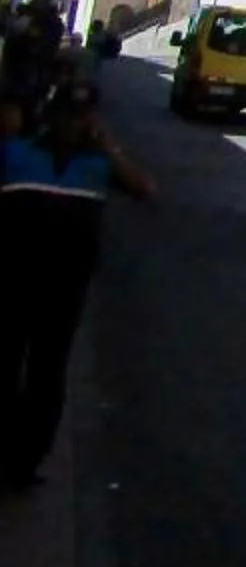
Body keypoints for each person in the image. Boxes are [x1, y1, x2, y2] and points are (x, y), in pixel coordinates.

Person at [0, 80, 156, 490]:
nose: (73, 125)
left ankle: (24, 462)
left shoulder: (97, 165)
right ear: (51, 118)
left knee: (46, 377)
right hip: (16, 284)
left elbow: (146, 189)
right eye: (68, 116)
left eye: (82, 118)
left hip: (63, 291)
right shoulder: (15, 153)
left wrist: (108, 148)